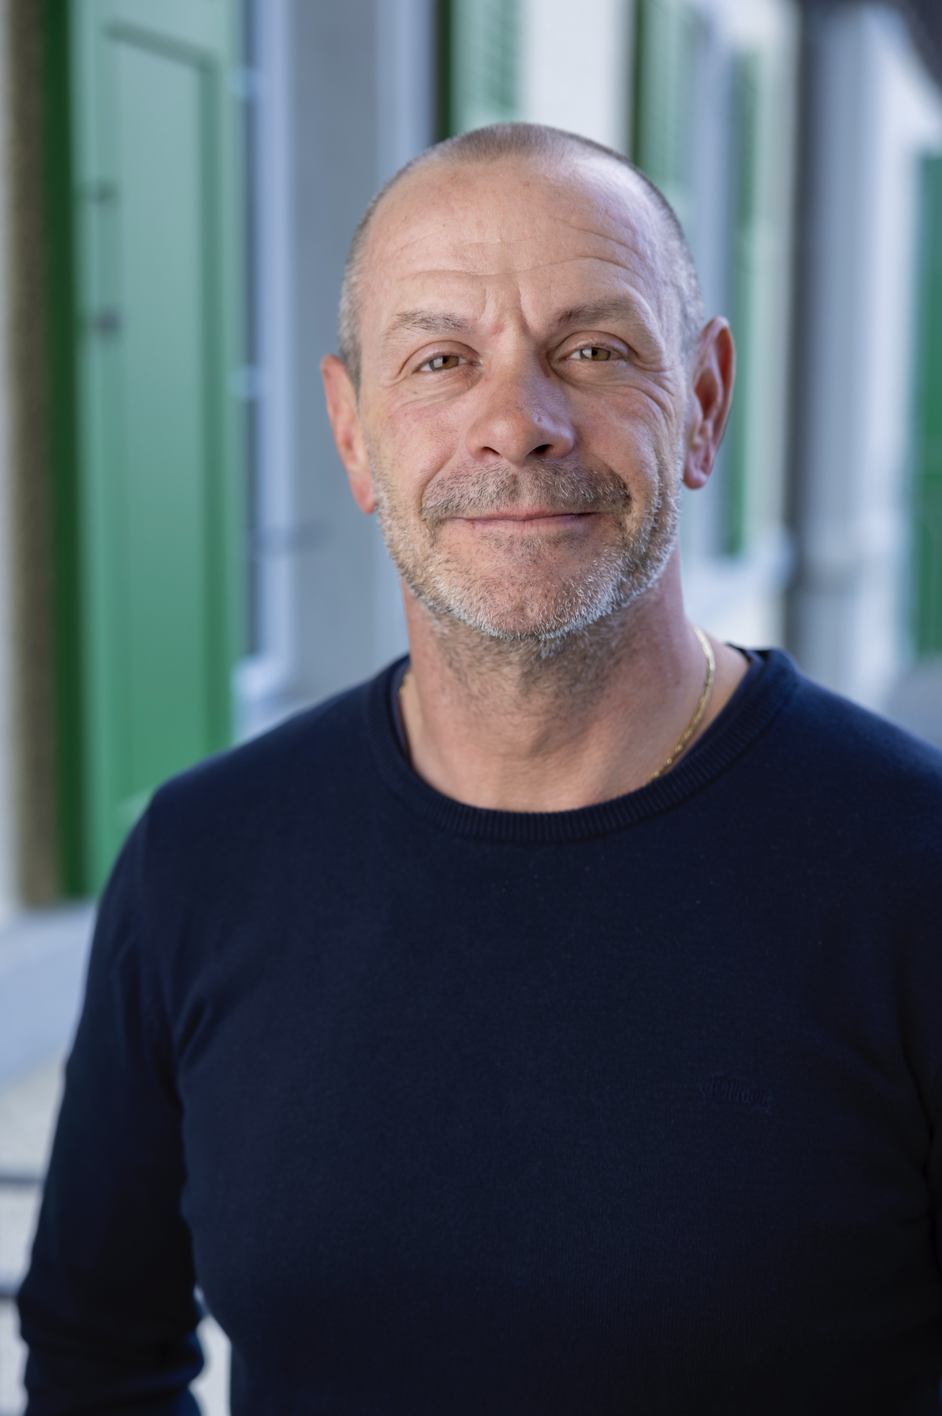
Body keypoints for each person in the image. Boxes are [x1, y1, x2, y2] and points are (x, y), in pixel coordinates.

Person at [18, 123, 942, 1414]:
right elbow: (95, 1356)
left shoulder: (912, 871)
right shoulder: (202, 858)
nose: (517, 422)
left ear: (703, 405)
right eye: (441, 359)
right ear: (352, 434)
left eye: (594, 349)